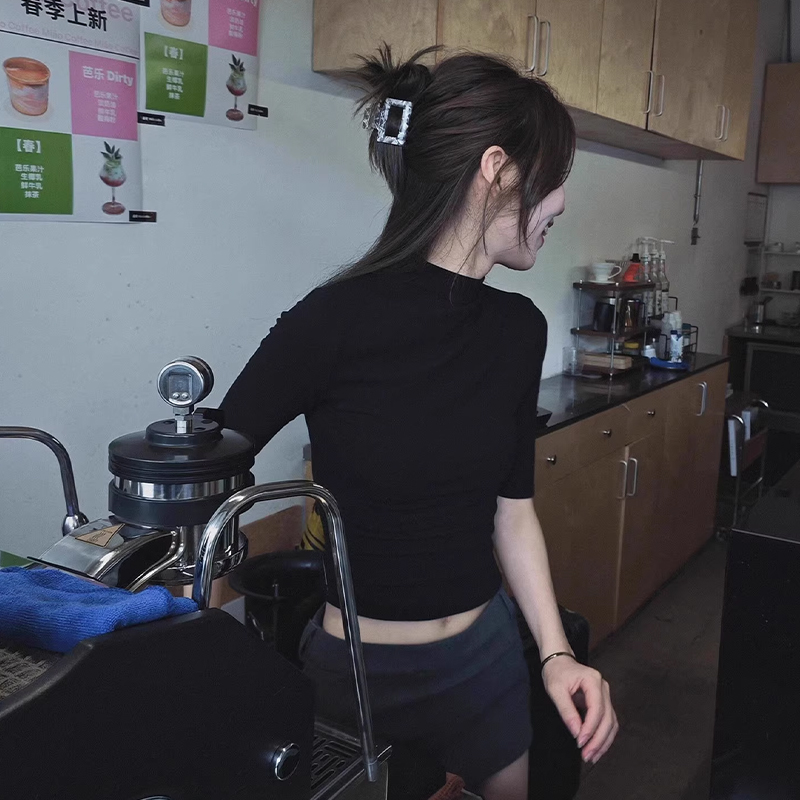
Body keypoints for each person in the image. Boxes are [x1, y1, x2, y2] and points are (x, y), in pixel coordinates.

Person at [218, 46, 618, 800]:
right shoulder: (332, 321)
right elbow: (215, 459)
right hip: (355, 676)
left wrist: (556, 654)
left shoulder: (518, 328)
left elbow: (512, 511)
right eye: (555, 176)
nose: (561, 201)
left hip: (485, 661)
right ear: (497, 169)